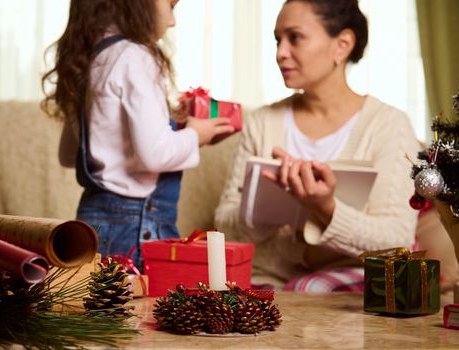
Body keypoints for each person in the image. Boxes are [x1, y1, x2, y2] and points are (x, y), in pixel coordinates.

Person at [215, 0, 420, 292]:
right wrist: (268, 205)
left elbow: (396, 239)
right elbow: (223, 227)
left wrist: (327, 210)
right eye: (277, 40)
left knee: (308, 289)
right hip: (266, 278)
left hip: (348, 280)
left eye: (294, 37)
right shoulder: (262, 122)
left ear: (342, 45)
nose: (280, 53)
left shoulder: (389, 126)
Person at [41, 0, 233, 269]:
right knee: (148, 308)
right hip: (137, 226)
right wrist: (195, 134)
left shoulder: (88, 59)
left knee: (100, 306)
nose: (172, 21)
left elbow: (70, 154)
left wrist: (172, 123)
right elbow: (155, 155)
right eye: (171, 6)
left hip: (91, 219)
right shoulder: (135, 56)